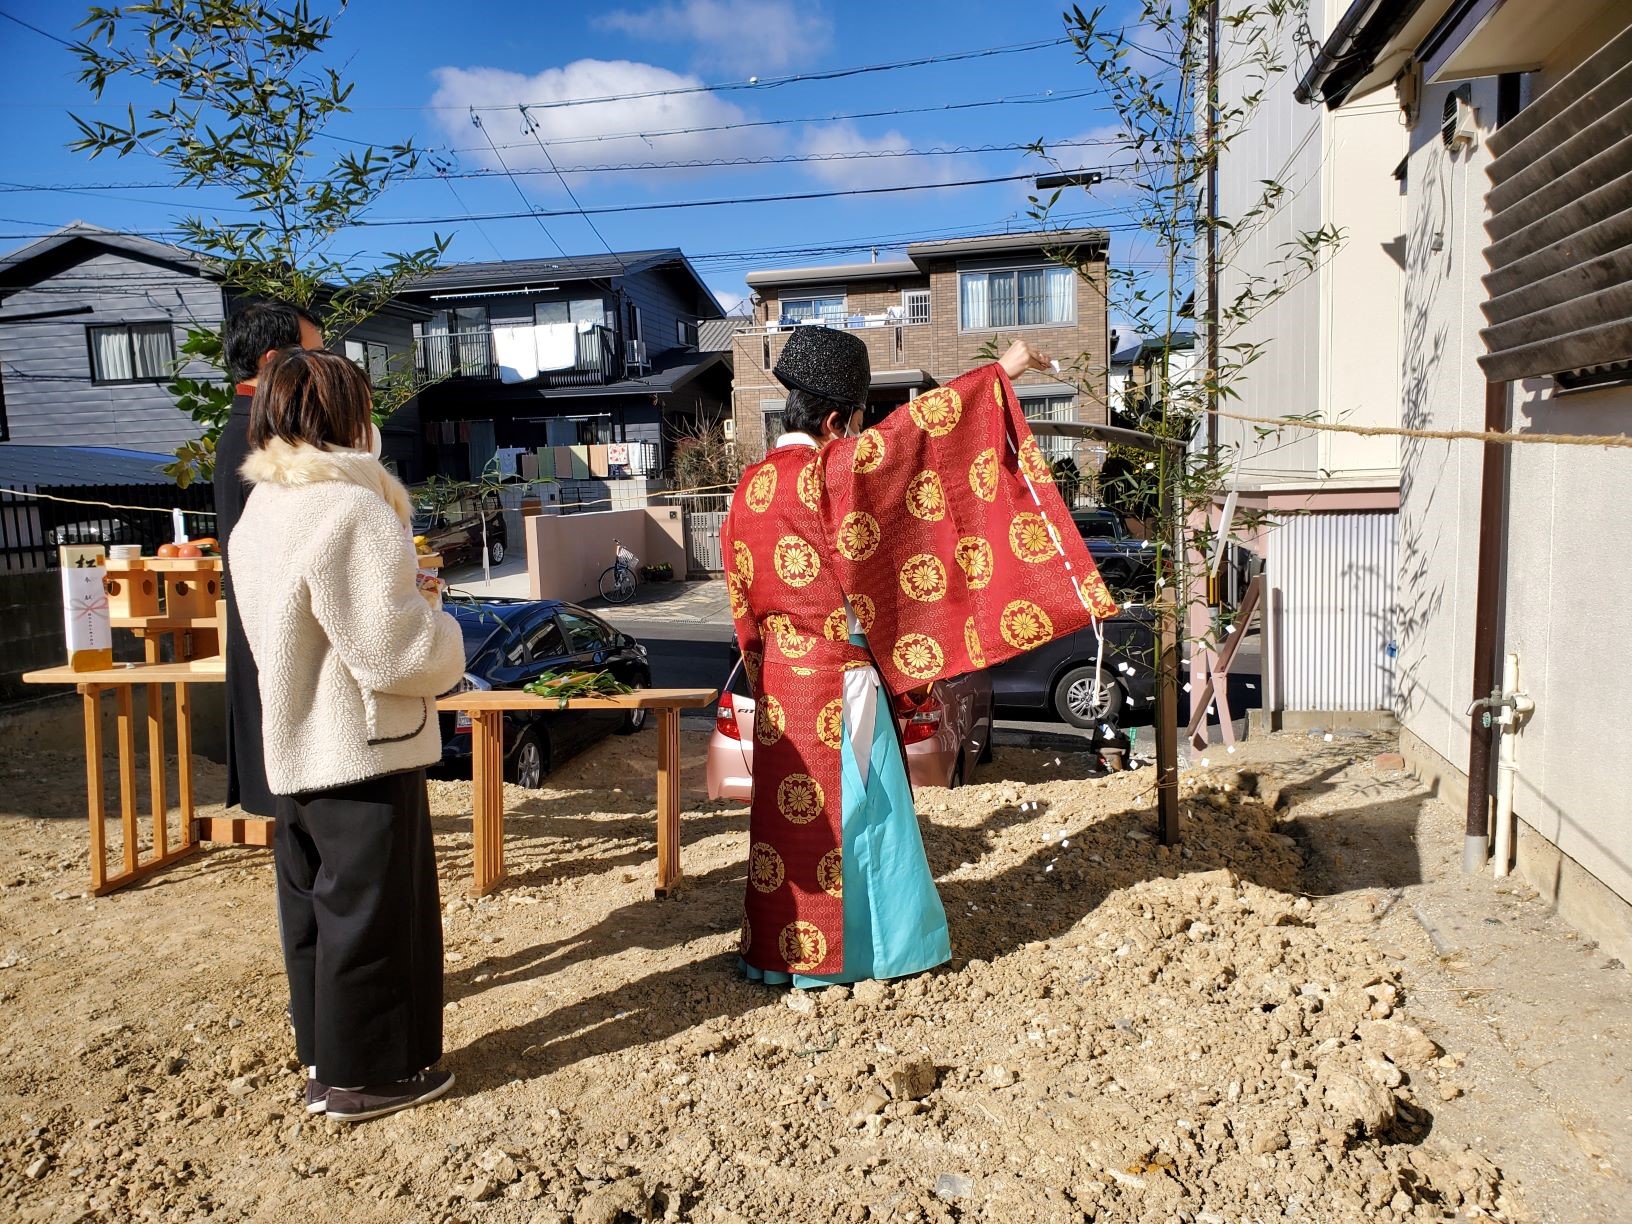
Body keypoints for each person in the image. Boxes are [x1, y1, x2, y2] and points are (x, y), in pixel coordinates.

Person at [720, 329, 1119, 987]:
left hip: (781, 687)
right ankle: (872, 956)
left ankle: (778, 956)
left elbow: (742, 611)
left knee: (786, 828)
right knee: (865, 820)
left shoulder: (746, 492)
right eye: (850, 423)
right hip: (842, 680)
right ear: (832, 420)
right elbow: (922, 433)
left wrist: (770, 673)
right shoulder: (831, 471)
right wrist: (1003, 372)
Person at [231, 347, 466, 1122]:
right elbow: (391, 650)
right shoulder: (354, 507)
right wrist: (446, 633)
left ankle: (324, 1060)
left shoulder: (259, 511)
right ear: (343, 414)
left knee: (313, 914)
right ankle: (369, 1078)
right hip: (362, 744)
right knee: (375, 918)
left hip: (294, 746)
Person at [216, 301, 324, 817]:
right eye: (314, 356)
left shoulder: (259, 428)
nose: (323, 369)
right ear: (273, 360)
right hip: (273, 621)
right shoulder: (253, 437)